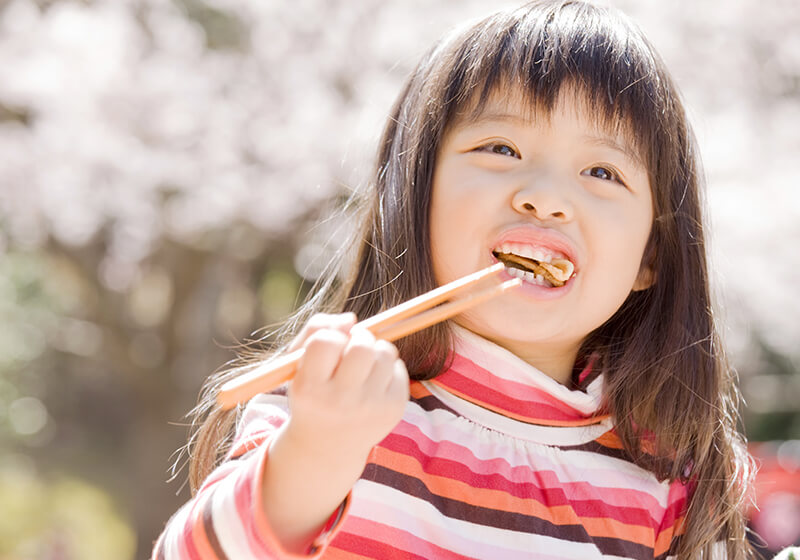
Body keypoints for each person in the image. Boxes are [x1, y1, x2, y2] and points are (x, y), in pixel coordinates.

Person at [152, 1, 756, 558]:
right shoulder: (340, 401)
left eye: (601, 170)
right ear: (415, 198)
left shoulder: (660, 483)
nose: (545, 199)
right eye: (500, 148)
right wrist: (317, 452)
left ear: (652, 254)